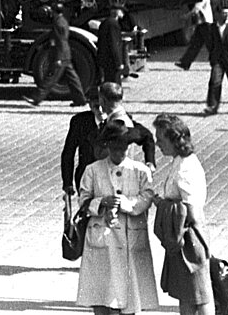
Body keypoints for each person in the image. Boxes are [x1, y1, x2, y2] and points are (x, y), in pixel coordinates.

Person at [76, 123, 157, 315]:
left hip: (131, 237)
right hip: (103, 239)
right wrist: (102, 202)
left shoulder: (139, 171)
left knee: (130, 296)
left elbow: (147, 197)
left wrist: (127, 204)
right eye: (114, 147)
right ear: (107, 146)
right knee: (103, 295)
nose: (119, 152)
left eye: (123, 147)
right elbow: (83, 201)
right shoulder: (93, 170)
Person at [150, 114, 212, 315]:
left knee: (199, 295)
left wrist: (162, 205)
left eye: (161, 138)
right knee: (187, 294)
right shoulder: (180, 161)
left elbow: (191, 211)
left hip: (189, 237)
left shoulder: (185, 168)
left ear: (176, 140)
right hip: (184, 236)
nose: (157, 143)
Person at [24, 6, 88, 107]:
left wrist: (58, 57)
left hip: (60, 54)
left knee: (50, 77)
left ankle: (36, 98)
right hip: (65, 54)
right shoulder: (62, 21)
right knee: (72, 79)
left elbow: (59, 41)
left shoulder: (58, 23)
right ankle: (80, 100)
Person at [98, 82, 156, 169]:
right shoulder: (124, 118)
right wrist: (150, 161)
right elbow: (147, 135)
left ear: (102, 100)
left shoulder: (119, 123)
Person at [61, 87, 107, 196]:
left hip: (110, 176)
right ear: (90, 105)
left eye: (103, 107)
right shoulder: (79, 122)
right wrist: (67, 183)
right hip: (85, 177)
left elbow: (145, 137)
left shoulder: (119, 121)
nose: (100, 110)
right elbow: (68, 152)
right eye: (96, 107)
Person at [203, 4, 228, 115]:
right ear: (218, 14)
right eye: (224, 13)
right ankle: (213, 106)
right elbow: (210, 44)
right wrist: (212, 56)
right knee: (214, 82)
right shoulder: (213, 28)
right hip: (218, 60)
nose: (227, 15)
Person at [175, 0, 214, 71]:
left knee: (211, 45)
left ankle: (219, 62)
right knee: (195, 44)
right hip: (201, 23)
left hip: (206, 23)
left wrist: (186, 16)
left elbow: (196, 10)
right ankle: (185, 63)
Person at [97, 4, 131, 85]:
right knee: (114, 83)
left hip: (104, 59)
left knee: (107, 81)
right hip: (111, 61)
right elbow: (114, 44)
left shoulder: (105, 22)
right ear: (117, 12)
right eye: (121, 11)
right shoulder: (113, 24)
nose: (123, 13)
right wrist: (118, 62)